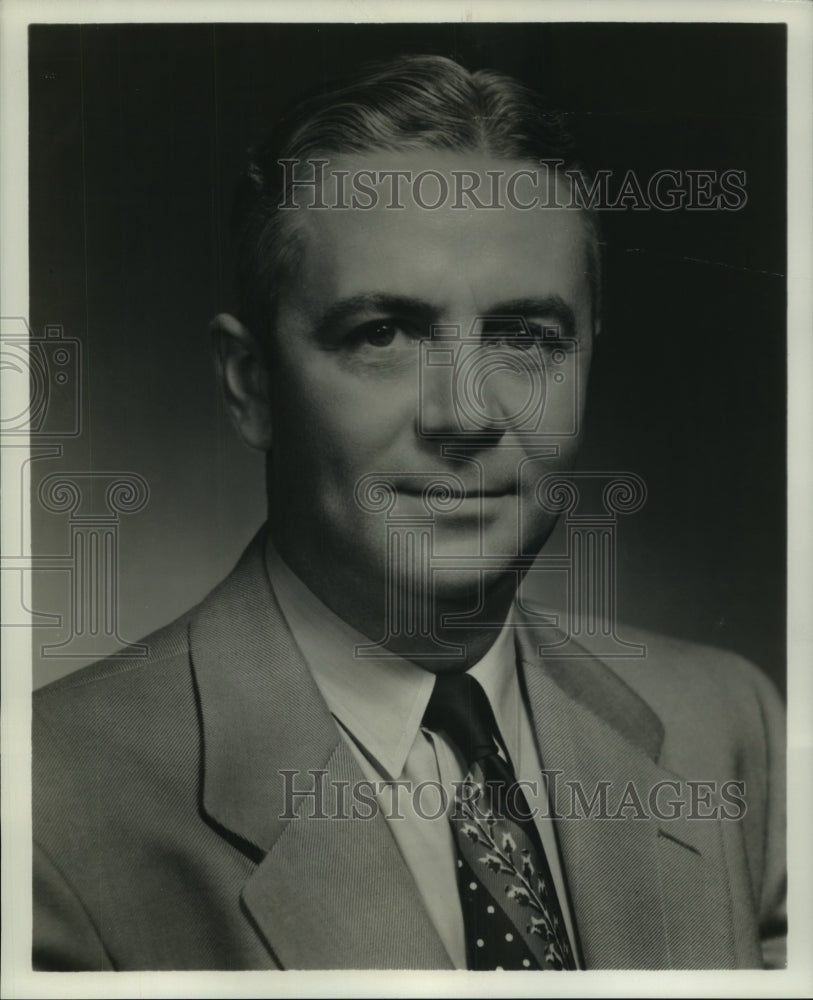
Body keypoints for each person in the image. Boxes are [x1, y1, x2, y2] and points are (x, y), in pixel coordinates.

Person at [32, 55, 786, 972]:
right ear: (250, 385)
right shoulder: (45, 809)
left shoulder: (727, 726)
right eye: (381, 334)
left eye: (523, 338)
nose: (463, 415)